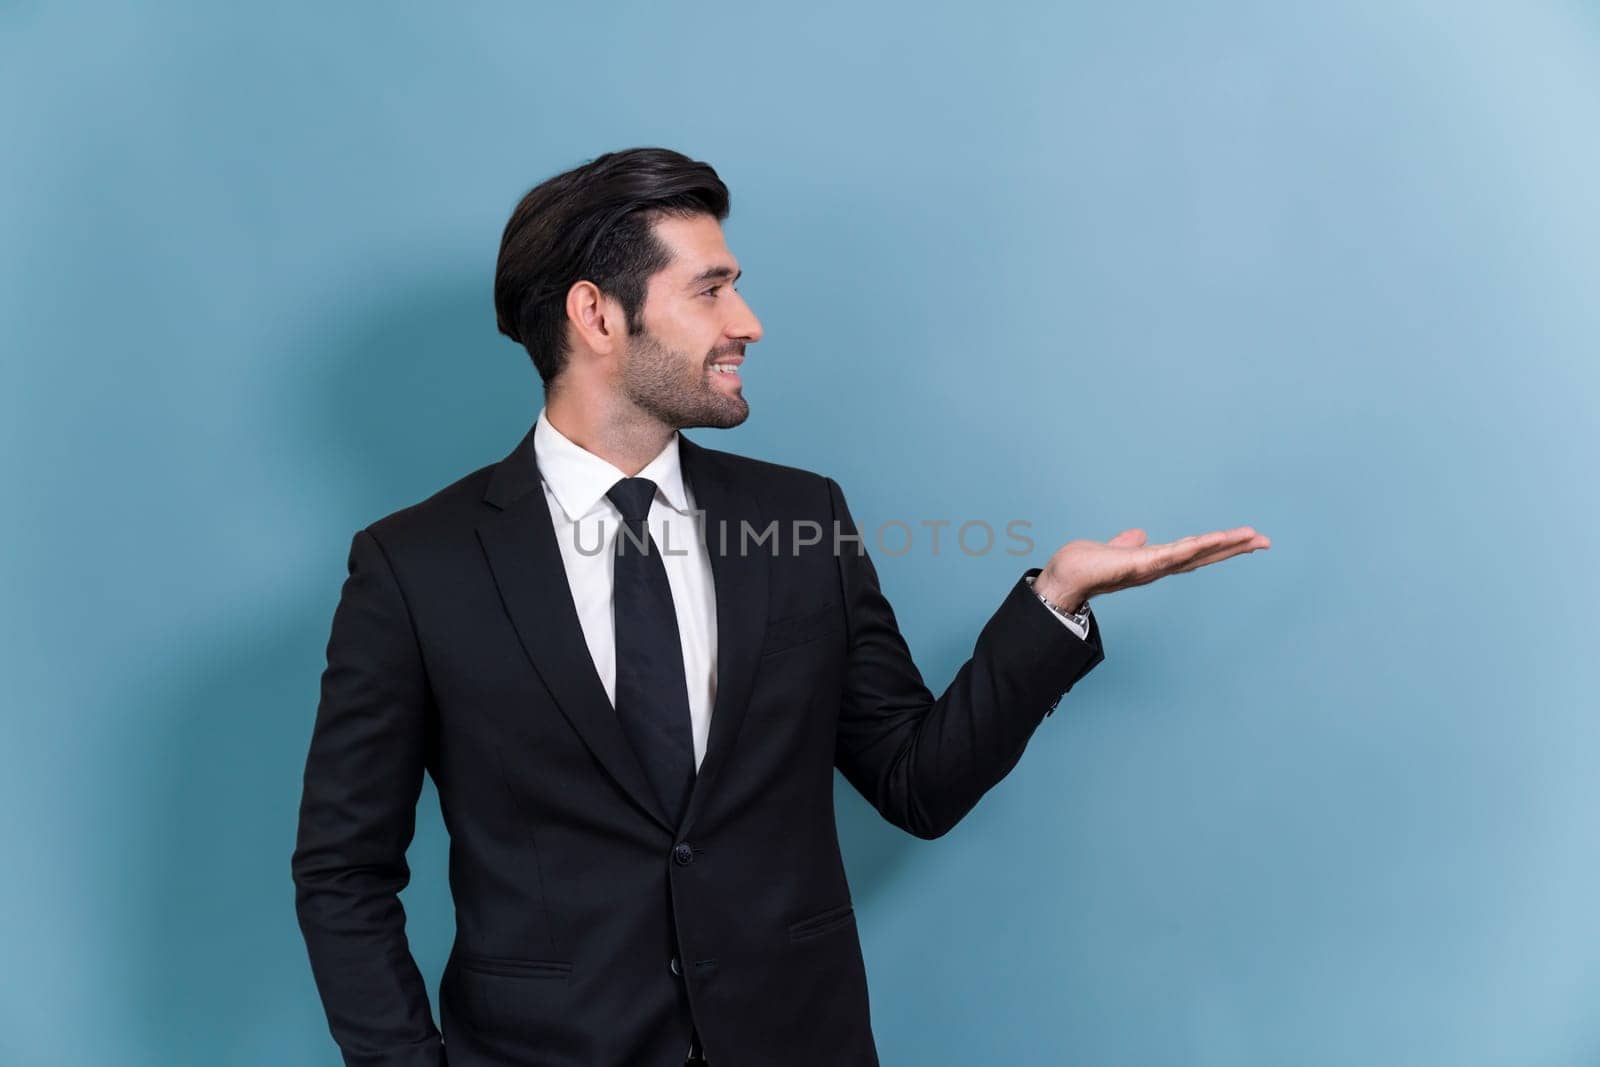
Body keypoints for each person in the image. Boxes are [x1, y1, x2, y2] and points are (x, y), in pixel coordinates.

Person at [290, 146, 1270, 1067]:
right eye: (709, 289)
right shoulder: (413, 563)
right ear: (596, 315)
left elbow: (915, 782)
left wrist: (1055, 599)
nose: (747, 321)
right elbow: (343, 867)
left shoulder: (801, 518)